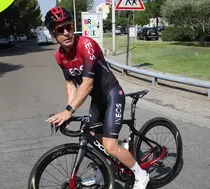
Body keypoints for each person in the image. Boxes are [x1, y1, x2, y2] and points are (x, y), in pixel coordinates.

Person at [44, 6, 150, 189]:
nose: (66, 33)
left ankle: (141, 175)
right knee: (92, 135)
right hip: (98, 100)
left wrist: (69, 111)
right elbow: (70, 84)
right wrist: (67, 111)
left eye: (68, 26)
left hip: (112, 94)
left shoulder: (86, 45)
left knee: (109, 146)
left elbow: (87, 84)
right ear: (54, 35)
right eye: (60, 30)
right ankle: (106, 168)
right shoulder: (59, 56)